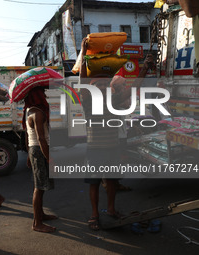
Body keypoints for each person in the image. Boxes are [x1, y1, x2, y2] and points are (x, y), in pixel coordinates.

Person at [79, 37, 154, 230]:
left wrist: (144, 68)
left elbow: (134, 88)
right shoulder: (88, 103)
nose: (103, 88)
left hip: (111, 147)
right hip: (95, 149)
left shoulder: (114, 101)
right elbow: (83, 83)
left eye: (105, 85)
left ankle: (111, 209)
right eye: (99, 85)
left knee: (112, 180)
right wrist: (83, 53)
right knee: (94, 183)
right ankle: (95, 214)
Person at [24, 87, 57, 233]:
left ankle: (41, 214)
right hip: (39, 150)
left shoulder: (28, 110)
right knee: (39, 187)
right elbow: (41, 138)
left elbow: (27, 135)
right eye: (42, 93)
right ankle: (37, 223)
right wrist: (50, 159)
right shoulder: (37, 113)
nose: (44, 95)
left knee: (40, 185)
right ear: (37, 96)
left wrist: (28, 155)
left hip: (34, 150)